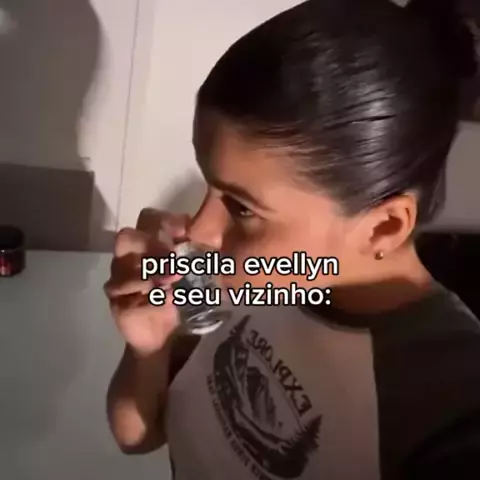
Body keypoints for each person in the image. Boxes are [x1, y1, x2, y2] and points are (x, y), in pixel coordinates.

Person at [104, 0, 480, 478]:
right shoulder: (261, 276)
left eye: (242, 208)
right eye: (209, 185)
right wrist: (148, 348)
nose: (199, 231)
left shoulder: (454, 411)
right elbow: (139, 435)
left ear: (383, 226)